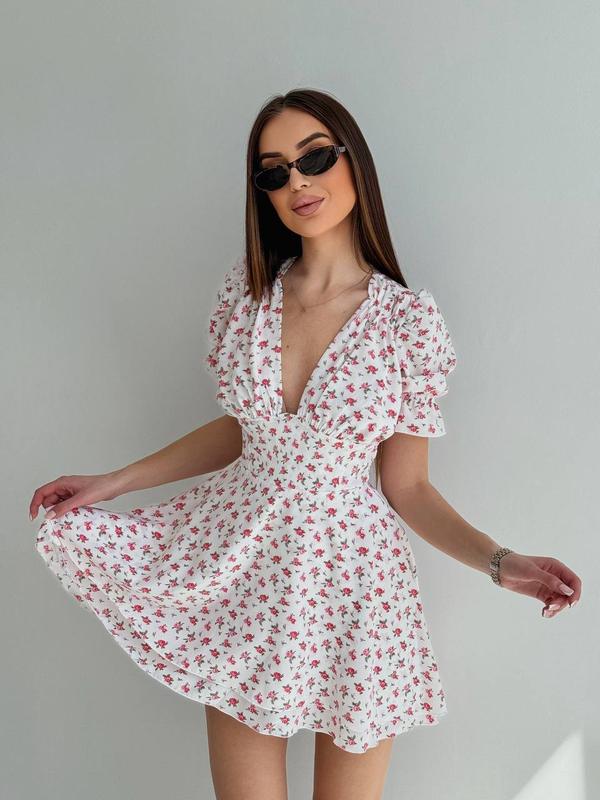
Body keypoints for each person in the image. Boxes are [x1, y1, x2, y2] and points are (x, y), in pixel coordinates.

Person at [30, 88, 582, 800]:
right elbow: (245, 431)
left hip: (356, 587)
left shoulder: (406, 324)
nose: (296, 181)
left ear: (354, 162)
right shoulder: (247, 297)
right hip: (243, 570)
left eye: (314, 157)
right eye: (273, 171)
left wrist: (501, 563)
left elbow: (408, 487)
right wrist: (114, 482)